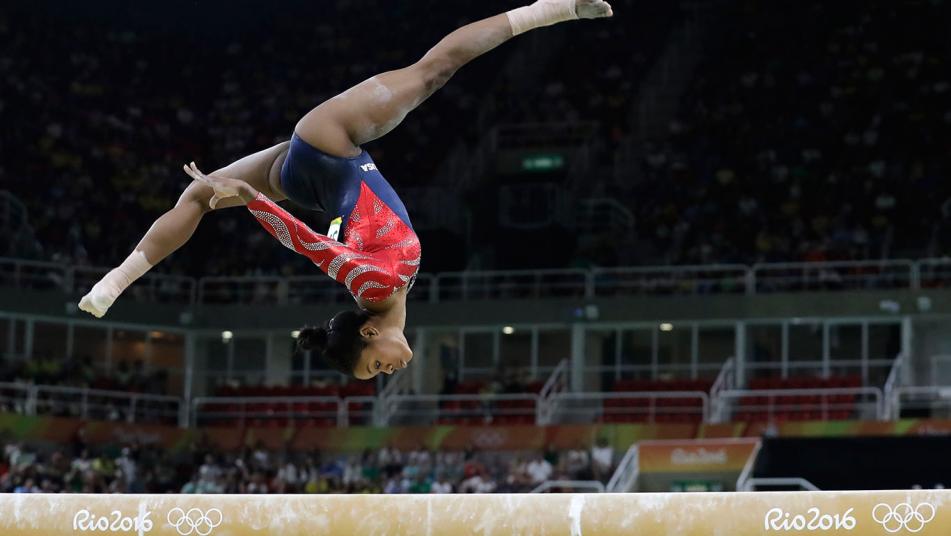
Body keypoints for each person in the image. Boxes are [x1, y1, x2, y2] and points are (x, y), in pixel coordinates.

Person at [78, 0, 614, 379]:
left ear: (367, 334)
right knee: (197, 196)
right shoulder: (390, 299)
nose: (390, 369)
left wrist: (253, 200)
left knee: (433, 72)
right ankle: (114, 284)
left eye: (376, 365)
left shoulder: (376, 290)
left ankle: (552, 7)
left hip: (329, 144)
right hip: (309, 179)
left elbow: (314, 246)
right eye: (379, 374)